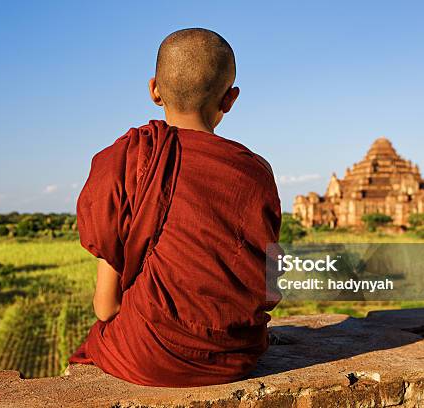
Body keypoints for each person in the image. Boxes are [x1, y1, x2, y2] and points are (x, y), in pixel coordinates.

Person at [68, 28, 282, 387]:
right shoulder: (255, 171)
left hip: (146, 357)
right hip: (235, 357)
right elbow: (269, 285)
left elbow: (106, 308)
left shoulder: (127, 161)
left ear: (154, 89)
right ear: (230, 99)